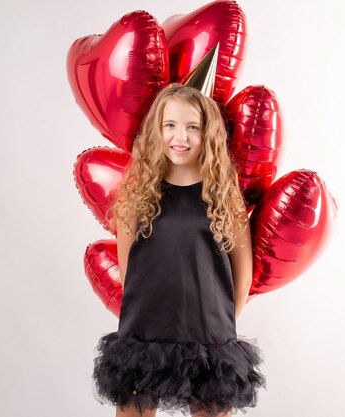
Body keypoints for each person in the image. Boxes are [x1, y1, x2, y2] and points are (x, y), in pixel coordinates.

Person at [92, 83, 267, 417]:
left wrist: (216, 330)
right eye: (170, 125)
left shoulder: (223, 197)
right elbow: (131, 271)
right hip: (144, 333)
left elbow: (242, 278)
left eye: (192, 127)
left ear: (207, 134)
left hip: (208, 334)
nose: (180, 137)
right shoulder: (138, 194)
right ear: (158, 130)